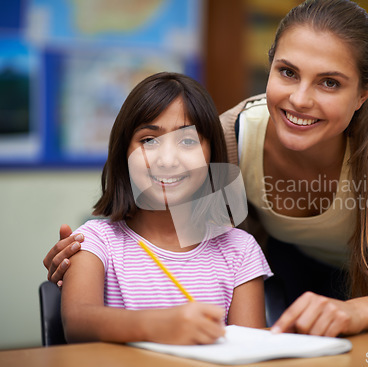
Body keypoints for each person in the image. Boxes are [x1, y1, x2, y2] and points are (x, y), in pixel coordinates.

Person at [46, 0, 368, 338]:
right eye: (287, 72)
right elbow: (162, 221)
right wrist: (82, 253)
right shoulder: (230, 137)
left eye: (329, 82)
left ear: (364, 93)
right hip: (281, 269)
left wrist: (356, 312)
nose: (300, 99)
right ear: (270, 67)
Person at [59, 72, 272, 345]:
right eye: (149, 140)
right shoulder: (96, 241)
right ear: (124, 152)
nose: (168, 160)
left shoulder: (240, 250)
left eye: (187, 141)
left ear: (211, 155)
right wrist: (162, 324)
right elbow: (77, 324)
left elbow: (249, 350)